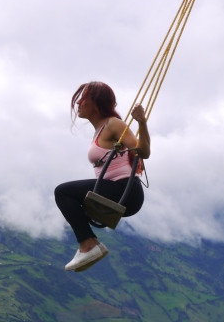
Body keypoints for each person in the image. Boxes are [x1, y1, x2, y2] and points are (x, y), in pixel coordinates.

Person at [54, 81, 151, 271]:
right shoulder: (99, 130)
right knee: (70, 196)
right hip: (117, 189)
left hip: (125, 190)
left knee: (63, 192)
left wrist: (142, 122)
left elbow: (143, 152)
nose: (78, 104)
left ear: (97, 103)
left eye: (83, 99)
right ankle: (88, 244)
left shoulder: (113, 124)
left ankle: (88, 244)